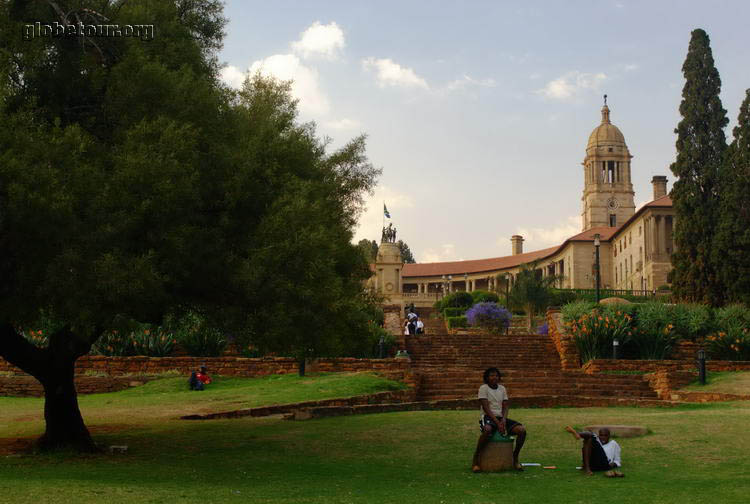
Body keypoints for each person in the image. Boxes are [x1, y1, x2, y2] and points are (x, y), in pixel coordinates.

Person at [472, 367, 527, 472]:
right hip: (489, 417)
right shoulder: (483, 388)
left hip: (501, 418)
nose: (494, 377)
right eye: (492, 375)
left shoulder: (502, 388)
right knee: (487, 430)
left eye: (496, 375)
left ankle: (515, 457)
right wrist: (498, 423)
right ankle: (476, 460)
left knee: (521, 430)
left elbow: (506, 406)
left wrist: (503, 421)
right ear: (487, 377)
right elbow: (486, 408)